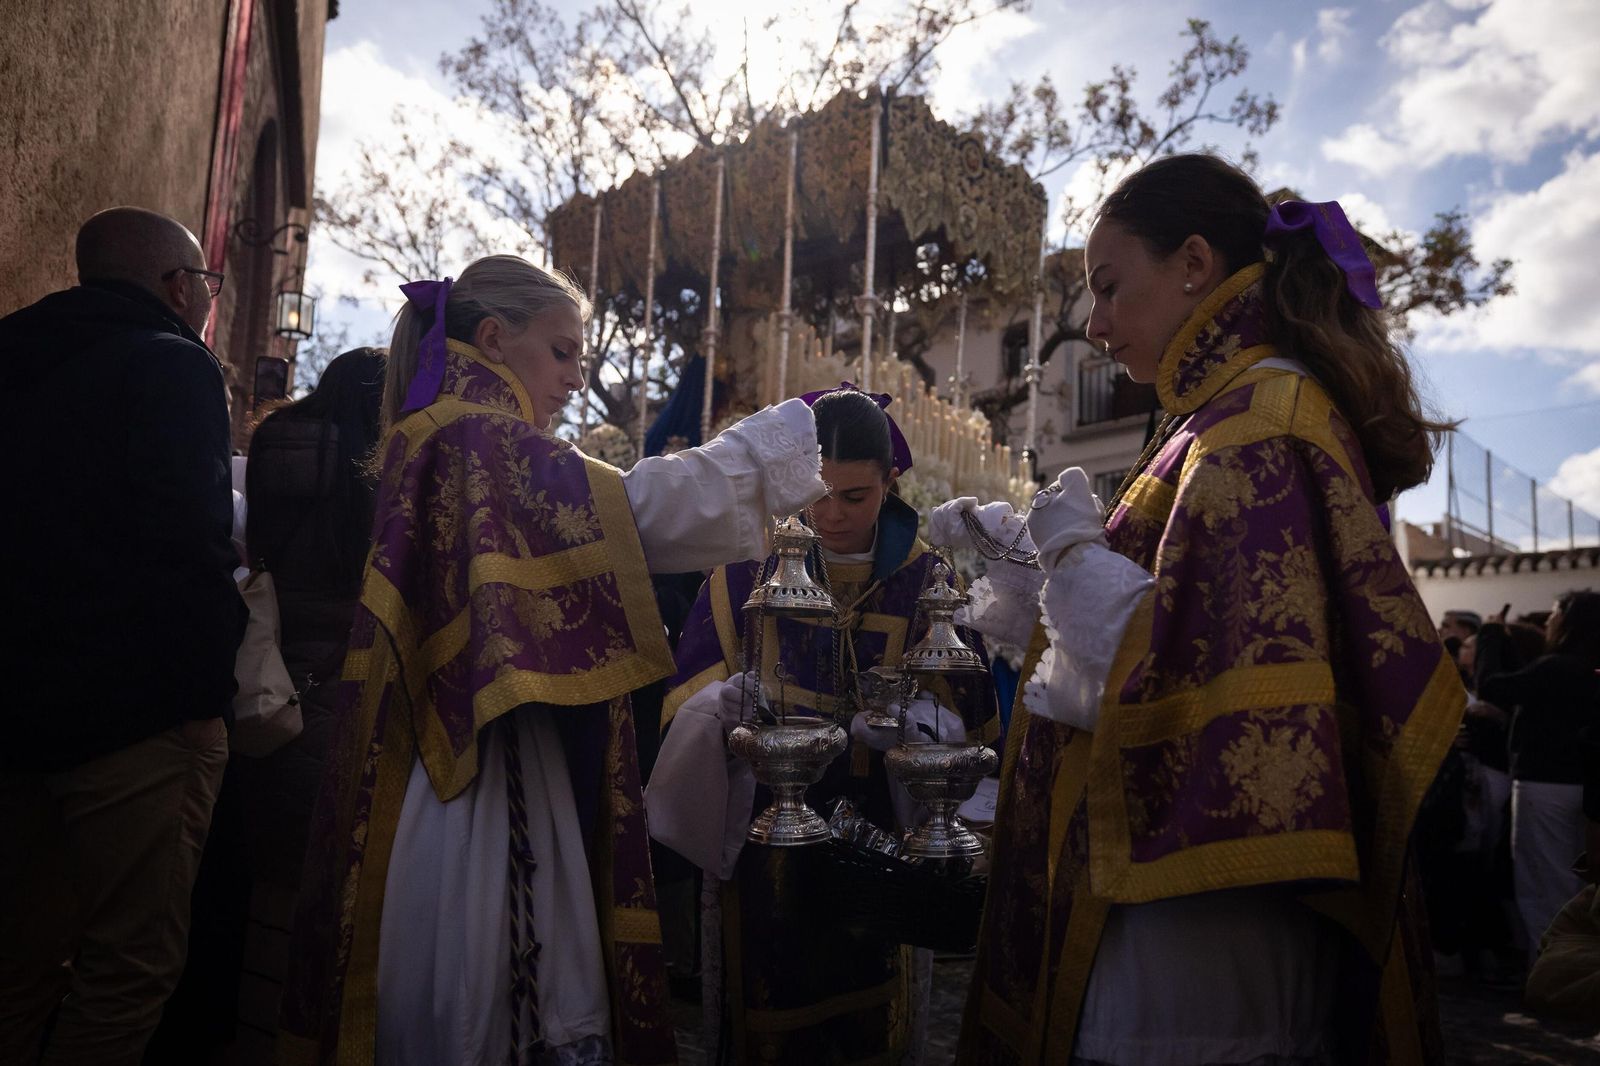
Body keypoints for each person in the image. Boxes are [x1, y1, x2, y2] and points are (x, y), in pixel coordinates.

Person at [931, 154, 1467, 1064]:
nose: (1095, 327)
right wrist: (1028, 580)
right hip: (1158, 893)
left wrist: (1066, 553)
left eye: (1108, 289)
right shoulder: (1214, 418)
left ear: (1192, 264)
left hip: (1200, 936)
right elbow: (1146, 643)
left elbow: (1187, 677)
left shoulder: (1257, 421)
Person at [278, 254, 826, 1066]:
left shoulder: (439, 428)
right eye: (563, 352)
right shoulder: (476, 433)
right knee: (498, 994)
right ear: (495, 339)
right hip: (485, 767)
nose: (574, 378)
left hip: (450, 750)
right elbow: (631, 516)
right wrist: (782, 438)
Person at [647, 385, 999, 1065]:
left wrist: (916, 727)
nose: (831, 516)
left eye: (855, 498)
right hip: (765, 841)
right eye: (818, 494)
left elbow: (970, 722)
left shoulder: (926, 577)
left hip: (883, 840)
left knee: (872, 1017)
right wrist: (718, 711)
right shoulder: (745, 569)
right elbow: (682, 703)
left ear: (889, 483)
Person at [0, 206, 247, 1063]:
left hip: (15, 715)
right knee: (126, 969)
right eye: (206, 285)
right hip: (135, 717)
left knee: (17, 963)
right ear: (180, 288)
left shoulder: (13, 352)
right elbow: (191, 541)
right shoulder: (175, 367)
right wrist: (205, 692)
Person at [1477, 590, 1600, 961]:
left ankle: (1554, 971)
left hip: (1545, 786)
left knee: (1544, 880)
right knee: (1575, 879)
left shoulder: (1558, 668)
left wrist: (1490, 635)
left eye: (1555, 614)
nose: (1548, 621)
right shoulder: (1582, 668)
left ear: (1570, 622)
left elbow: (1493, 687)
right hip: (1583, 785)